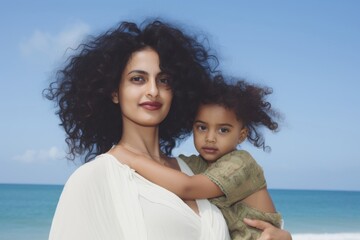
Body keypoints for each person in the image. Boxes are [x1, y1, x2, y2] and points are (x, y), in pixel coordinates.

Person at [44, 19, 292, 240]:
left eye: (164, 80)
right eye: (138, 79)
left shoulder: (194, 169)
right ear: (113, 92)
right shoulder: (95, 177)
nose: (153, 90)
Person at [122, 76, 284, 239]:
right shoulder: (196, 164)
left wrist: (132, 159)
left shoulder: (241, 163)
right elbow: (165, 168)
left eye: (223, 130)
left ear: (241, 135)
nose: (210, 138)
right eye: (202, 127)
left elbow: (187, 187)